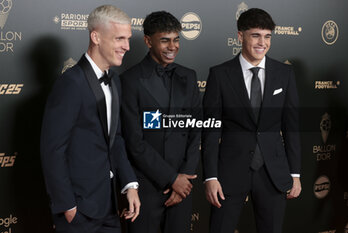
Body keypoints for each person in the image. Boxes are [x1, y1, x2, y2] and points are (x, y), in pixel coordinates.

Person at [40, 5, 140, 233]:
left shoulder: (115, 82)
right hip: (79, 211)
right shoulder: (71, 83)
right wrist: (68, 206)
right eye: (119, 38)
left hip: (109, 207)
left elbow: (115, 139)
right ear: (96, 37)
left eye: (128, 38)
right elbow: (52, 150)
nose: (127, 46)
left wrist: (130, 185)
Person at [202, 8, 302, 233]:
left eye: (267, 36)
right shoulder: (220, 74)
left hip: (273, 173)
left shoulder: (284, 74)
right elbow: (210, 131)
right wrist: (210, 176)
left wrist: (295, 174)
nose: (262, 43)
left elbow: (292, 127)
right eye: (256, 35)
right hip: (229, 173)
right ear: (240, 36)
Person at [120, 11, 201, 233]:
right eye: (164, 40)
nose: (172, 46)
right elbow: (134, 142)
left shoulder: (189, 76)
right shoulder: (130, 81)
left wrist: (184, 179)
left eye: (176, 40)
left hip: (183, 186)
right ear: (148, 41)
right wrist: (171, 178)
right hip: (147, 186)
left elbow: (196, 130)